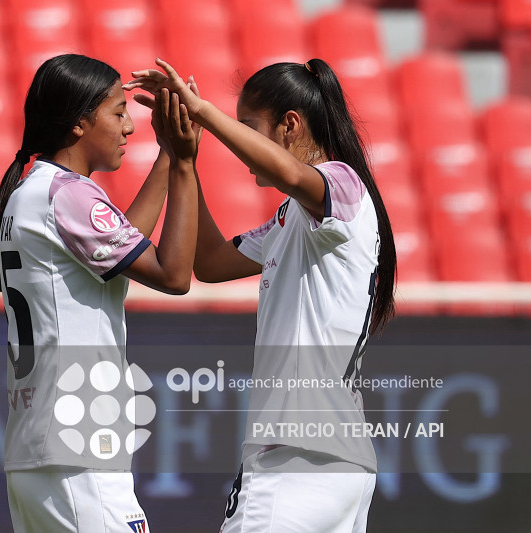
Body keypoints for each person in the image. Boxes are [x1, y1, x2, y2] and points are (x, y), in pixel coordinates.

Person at [125, 58, 396, 533]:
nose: (238, 141)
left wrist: (204, 112)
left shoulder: (342, 183)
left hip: (296, 462)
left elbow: (293, 175)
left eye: (247, 126)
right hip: (337, 465)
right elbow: (208, 262)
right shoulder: (294, 217)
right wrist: (181, 159)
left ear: (289, 125)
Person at [0, 54, 198, 533]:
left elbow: (124, 249)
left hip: (39, 450)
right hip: (76, 448)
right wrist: (184, 162)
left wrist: (167, 153)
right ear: (81, 122)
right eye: (118, 111)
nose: (129, 126)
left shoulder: (35, 192)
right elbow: (174, 274)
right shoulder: (68, 195)